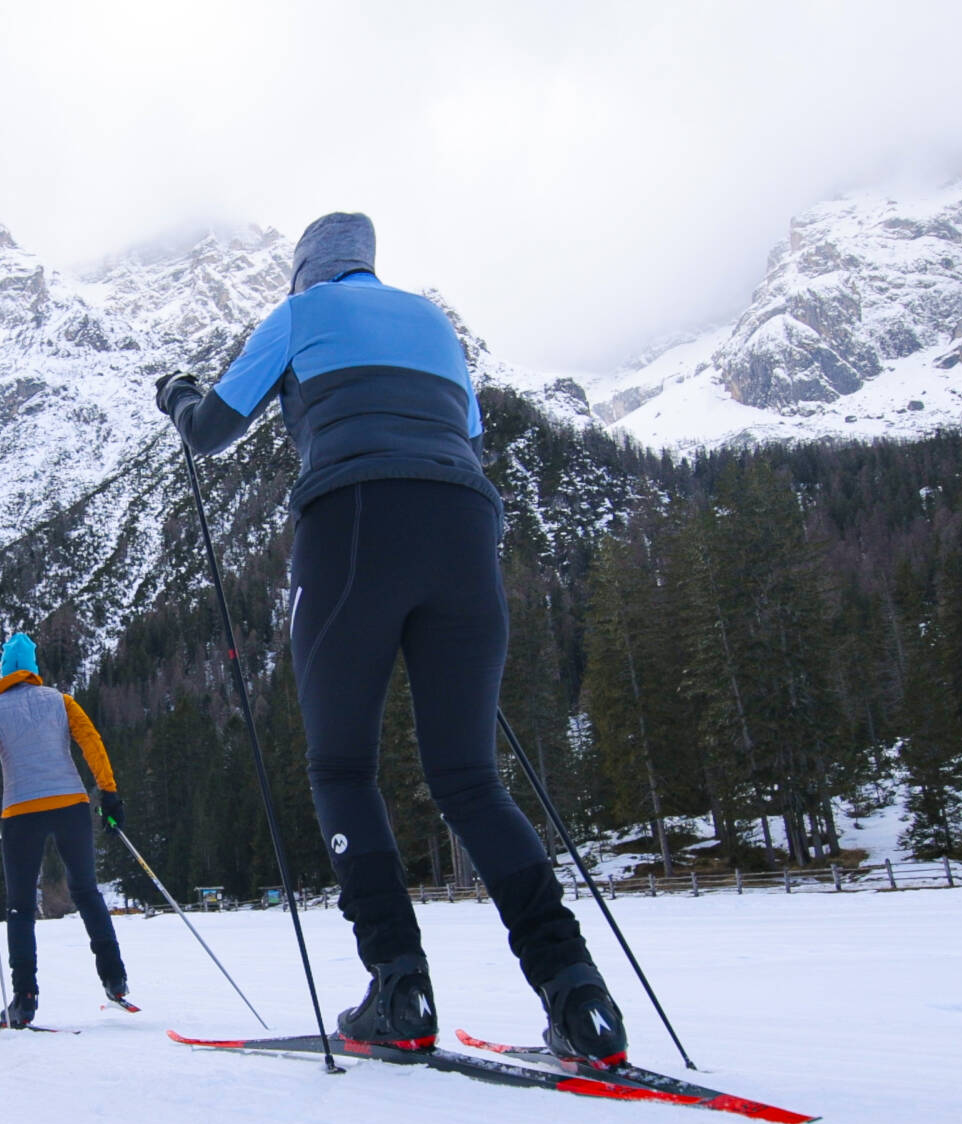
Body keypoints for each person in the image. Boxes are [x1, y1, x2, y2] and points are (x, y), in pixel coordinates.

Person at [152, 211, 628, 1062]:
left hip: (355, 523)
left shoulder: (298, 316)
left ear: (305, 272)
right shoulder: (435, 322)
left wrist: (177, 393)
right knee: (470, 778)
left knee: (341, 767)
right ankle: (580, 997)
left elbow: (212, 433)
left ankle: (399, 985)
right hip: (465, 530)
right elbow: (468, 437)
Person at [0, 632, 128, 1028]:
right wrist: (109, 793)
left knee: (20, 907)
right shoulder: (61, 700)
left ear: (4, 671)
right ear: (33, 670)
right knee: (86, 891)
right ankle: (114, 977)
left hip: (21, 811)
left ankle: (25, 997)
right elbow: (92, 742)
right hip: (71, 804)